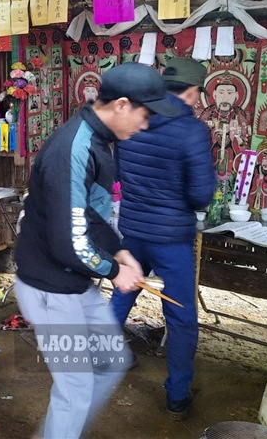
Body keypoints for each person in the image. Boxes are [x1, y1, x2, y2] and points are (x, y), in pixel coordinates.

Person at [14, 63, 181, 439]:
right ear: (122, 105)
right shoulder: (72, 148)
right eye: (145, 114)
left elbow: (89, 215)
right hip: (50, 288)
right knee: (75, 390)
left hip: (72, 283)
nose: (145, 124)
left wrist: (119, 252)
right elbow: (68, 242)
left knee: (111, 361)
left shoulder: (98, 140)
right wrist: (113, 270)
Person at [110, 58, 216, 420]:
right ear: (190, 92)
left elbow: (120, 173)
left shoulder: (135, 120)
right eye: (198, 93)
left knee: (123, 293)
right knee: (181, 315)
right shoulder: (192, 131)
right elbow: (201, 195)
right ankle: (177, 394)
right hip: (172, 238)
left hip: (134, 230)